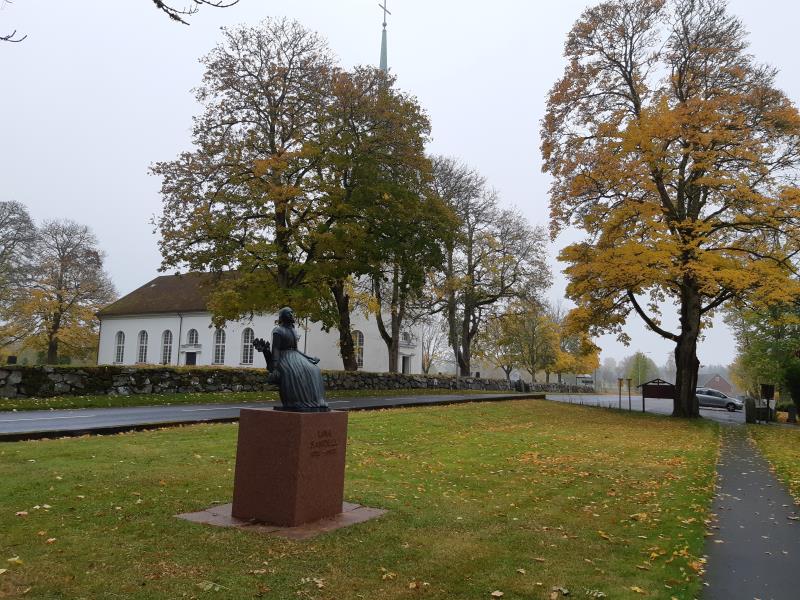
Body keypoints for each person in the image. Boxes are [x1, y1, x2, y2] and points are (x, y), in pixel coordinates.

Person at [258, 307, 328, 412]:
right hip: (283, 357)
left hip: (295, 355)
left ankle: (316, 401)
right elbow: (276, 349)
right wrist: (275, 366)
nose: (292, 314)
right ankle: (294, 402)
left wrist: (309, 358)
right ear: (282, 316)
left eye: (292, 313)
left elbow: (296, 349)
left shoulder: (293, 331)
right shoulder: (278, 331)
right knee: (293, 372)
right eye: (289, 313)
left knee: (314, 369)